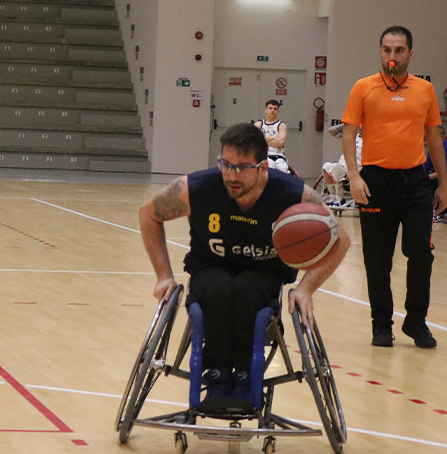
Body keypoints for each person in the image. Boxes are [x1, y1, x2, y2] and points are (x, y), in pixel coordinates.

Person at [139, 123, 350, 405]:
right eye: (226, 164)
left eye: (242, 167)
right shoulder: (198, 188)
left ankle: (244, 375)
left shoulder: (291, 194)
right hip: (208, 268)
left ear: (263, 167)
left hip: (264, 273)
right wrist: (163, 275)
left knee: (249, 290)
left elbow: (341, 239)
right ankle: (215, 374)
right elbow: (148, 214)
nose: (232, 174)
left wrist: (306, 288)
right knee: (218, 288)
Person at [341, 25, 447, 349]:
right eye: (387, 50)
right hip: (375, 181)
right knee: (377, 259)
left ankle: (416, 322)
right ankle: (381, 325)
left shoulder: (425, 90)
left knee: (421, 254)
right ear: (380, 52)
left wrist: (443, 184)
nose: (393, 56)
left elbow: (434, 138)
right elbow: (349, 134)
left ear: (410, 53)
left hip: (415, 181)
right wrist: (355, 175)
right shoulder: (363, 87)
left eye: (399, 50)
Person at [322, 123, 362, 206]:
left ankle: (340, 197)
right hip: (343, 164)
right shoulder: (353, 136)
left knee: (335, 168)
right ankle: (333, 196)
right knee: (326, 166)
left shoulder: (371, 140)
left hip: (355, 167)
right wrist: (349, 125)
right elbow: (332, 131)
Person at [254, 99, 289, 173]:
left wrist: (263, 140)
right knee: (269, 169)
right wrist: (274, 138)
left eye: (275, 109)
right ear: (265, 110)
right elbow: (254, 141)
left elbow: (281, 142)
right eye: (270, 108)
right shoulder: (258, 124)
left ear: (278, 111)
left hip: (279, 156)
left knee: (283, 170)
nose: (272, 110)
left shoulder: (282, 125)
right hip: (263, 156)